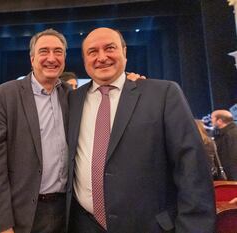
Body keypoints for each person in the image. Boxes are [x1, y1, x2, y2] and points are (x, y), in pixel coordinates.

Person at [67, 27, 215, 233]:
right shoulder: (70, 101)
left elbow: (192, 168)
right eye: (93, 52)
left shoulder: (163, 94)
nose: (102, 57)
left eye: (110, 48)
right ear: (84, 60)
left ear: (124, 53)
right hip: (84, 226)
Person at [0, 28, 70, 233]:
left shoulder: (71, 95)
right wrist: (1, 224)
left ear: (65, 58)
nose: (51, 58)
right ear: (32, 59)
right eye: (44, 51)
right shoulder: (6, 94)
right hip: (23, 214)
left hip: (66, 212)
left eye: (58, 52)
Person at [211, 109, 237, 180]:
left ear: (219, 121)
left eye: (212, 118)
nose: (211, 121)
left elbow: (231, 159)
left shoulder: (230, 135)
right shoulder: (223, 134)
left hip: (231, 181)